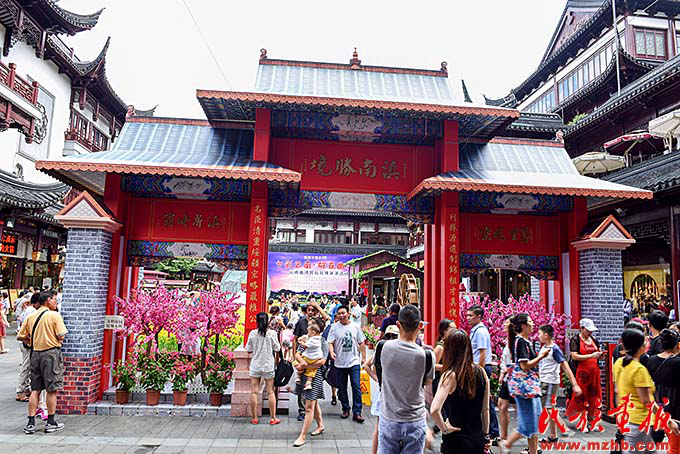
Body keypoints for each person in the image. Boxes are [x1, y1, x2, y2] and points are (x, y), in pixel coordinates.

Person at [376, 304, 435, 454]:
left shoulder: (382, 348)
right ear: (420, 326)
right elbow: (427, 382)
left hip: (389, 417)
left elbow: (379, 372)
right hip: (415, 419)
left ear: (398, 324)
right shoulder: (427, 355)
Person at [613, 328, 674, 454]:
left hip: (630, 420)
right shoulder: (639, 370)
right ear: (641, 347)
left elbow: (617, 391)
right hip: (638, 423)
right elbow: (647, 402)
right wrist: (668, 421)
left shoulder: (620, 363)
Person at [431, 329, 490, 454]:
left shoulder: (450, 375)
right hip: (476, 438)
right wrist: (486, 435)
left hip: (455, 440)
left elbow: (434, 409)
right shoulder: (482, 372)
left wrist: (444, 429)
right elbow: (485, 410)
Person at [16, 291, 67, 434]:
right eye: (54, 299)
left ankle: (31, 423)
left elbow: (20, 336)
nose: (56, 302)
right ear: (48, 300)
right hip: (51, 354)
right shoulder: (54, 315)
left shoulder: (31, 316)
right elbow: (62, 335)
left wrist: (31, 342)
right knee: (51, 389)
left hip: (35, 354)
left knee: (35, 389)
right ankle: (51, 422)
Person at [500, 313, 549, 454]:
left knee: (534, 422)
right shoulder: (521, 341)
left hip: (530, 388)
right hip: (525, 388)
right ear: (523, 326)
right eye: (530, 322)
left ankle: (532, 450)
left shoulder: (525, 341)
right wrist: (541, 356)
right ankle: (507, 443)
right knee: (528, 424)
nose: (533, 324)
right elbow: (524, 366)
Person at [537, 324, 581, 443]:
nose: (538, 336)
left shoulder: (554, 349)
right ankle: (553, 435)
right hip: (545, 381)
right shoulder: (545, 347)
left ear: (546, 335)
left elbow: (565, 367)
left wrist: (574, 385)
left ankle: (565, 429)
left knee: (549, 408)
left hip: (550, 382)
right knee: (549, 408)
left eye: (540, 334)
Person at [364, 324, 399, 454]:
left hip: (384, 391)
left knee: (381, 426)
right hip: (388, 392)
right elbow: (366, 365)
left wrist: (376, 379)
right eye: (389, 336)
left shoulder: (382, 349)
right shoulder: (384, 349)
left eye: (394, 336)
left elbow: (367, 365)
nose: (391, 338)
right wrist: (377, 379)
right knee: (381, 427)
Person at [466, 305, 499, 443]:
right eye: (467, 315)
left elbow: (482, 353)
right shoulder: (476, 330)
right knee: (481, 400)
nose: (468, 318)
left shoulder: (480, 332)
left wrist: (479, 371)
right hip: (478, 368)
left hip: (481, 368)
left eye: (470, 315)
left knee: (485, 401)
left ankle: (493, 432)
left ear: (479, 317)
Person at [328, 305, 366, 422]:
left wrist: (364, 358)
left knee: (356, 386)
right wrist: (331, 352)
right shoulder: (334, 327)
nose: (341, 315)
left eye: (343, 313)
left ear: (348, 313)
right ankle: (345, 408)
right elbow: (330, 342)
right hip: (340, 362)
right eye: (339, 313)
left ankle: (357, 412)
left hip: (354, 361)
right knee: (342, 387)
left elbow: (361, 342)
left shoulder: (355, 326)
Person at [564, 318, 604, 430]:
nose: (590, 332)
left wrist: (600, 355)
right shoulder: (575, 340)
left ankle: (592, 420)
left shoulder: (594, 339)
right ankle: (583, 421)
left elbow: (598, 352)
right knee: (582, 397)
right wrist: (591, 355)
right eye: (588, 330)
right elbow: (574, 356)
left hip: (594, 372)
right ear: (581, 328)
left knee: (594, 396)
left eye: (591, 331)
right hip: (582, 373)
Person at [293, 300, 329, 421]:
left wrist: (304, 365)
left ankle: (313, 417)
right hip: (304, 362)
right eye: (308, 310)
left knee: (312, 396)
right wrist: (297, 358)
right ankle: (303, 411)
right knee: (301, 389)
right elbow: (297, 345)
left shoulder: (321, 339)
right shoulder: (301, 324)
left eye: (313, 310)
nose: (310, 312)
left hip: (314, 369)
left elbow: (322, 361)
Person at [646, 329, 680, 454]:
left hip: (656, 407)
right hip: (675, 408)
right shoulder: (678, 362)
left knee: (654, 445)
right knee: (675, 448)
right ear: (677, 345)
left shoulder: (650, 361)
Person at [292, 329, 328, 447]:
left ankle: (302, 436)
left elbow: (322, 362)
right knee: (314, 403)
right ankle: (320, 425)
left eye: (312, 328)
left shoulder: (322, 342)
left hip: (314, 377)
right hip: (304, 374)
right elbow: (297, 353)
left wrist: (305, 365)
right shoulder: (306, 338)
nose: (309, 330)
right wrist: (302, 363)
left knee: (309, 407)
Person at [245, 312, 281, 426]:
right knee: (270, 392)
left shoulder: (252, 333)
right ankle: (273, 418)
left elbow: (248, 349)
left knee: (254, 392)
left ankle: (254, 418)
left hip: (255, 365)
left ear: (257, 321)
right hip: (268, 365)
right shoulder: (272, 333)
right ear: (267, 321)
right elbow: (277, 348)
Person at [497, 318, 515, 444]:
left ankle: (531, 442)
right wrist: (502, 372)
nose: (504, 325)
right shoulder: (508, 341)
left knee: (520, 409)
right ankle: (503, 436)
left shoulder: (517, 342)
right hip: (507, 378)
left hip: (514, 380)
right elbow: (505, 361)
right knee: (502, 406)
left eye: (507, 323)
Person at [294, 321, 324, 391]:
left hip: (309, 361)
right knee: (311, 372)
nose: (307, 333)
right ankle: (308, 383)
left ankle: (298, 376)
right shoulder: (318, 339)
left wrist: (303, 364)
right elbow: (297, 354)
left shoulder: (313, 340)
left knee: (296, 363)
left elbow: (322, 362)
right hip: (315, 362)